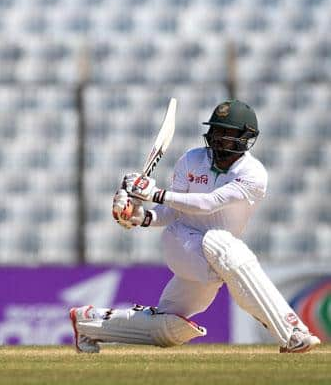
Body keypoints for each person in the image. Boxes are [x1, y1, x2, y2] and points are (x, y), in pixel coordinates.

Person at [70, 99, 321, 354]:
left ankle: (88, 323)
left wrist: (154, 194)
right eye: (216, 130)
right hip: (181, 242)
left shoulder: (253, 174)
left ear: (246, 137)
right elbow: (171, 213)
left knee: (168, 328)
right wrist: (140, 217)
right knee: (223, 245)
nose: (219, 137)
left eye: (227, 133)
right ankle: (292, 333)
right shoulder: (191, 159)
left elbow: (209, 203)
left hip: (214, 258)